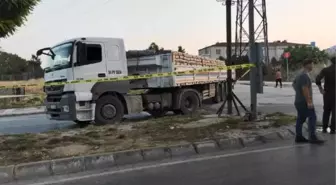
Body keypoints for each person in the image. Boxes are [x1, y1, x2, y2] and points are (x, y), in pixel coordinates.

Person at [292, 59, 324, 144]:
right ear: (307, 65)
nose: (312, 66)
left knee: (301, 119)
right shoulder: (304, 76)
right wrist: (309, 101)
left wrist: (298, 93)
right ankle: (312, 136)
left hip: (298, 101)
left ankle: (299, 137)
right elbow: (305, 89)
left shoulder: (299, 75)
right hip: (304, 102)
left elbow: (293, 84)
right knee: (312, 117)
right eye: (312, 64)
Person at [316, 52, 336, 134]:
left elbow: (317, 79)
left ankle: (324, 128)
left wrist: (321, 89)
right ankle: (333, 129)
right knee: (335, 112)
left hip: (327, 93)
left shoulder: (326, 70)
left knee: (326, 110)